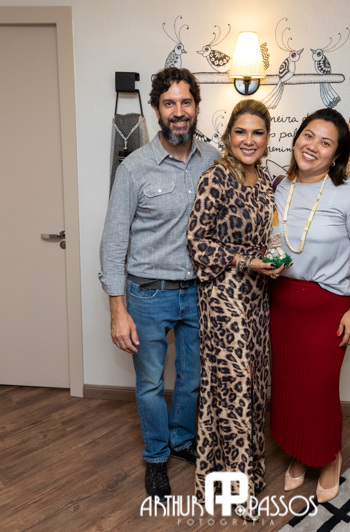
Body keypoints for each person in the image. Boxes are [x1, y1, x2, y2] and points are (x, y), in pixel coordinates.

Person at [99, 68, 220, 498]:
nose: (178, 111)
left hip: (200, 293)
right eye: (169, 103)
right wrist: (118, 311)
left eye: (186, 102)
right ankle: (155, 456)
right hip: (148, 295)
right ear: (156, 110)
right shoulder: (134, 168)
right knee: (150, 383)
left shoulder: (213, 161)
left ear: (197, 107)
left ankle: (182, 441)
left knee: (192, 378)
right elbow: (114, 242)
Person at [269, 108, 350, 503]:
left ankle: (328, 458)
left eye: (326, 142)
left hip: (327, 306)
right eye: (308, 135)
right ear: (296, 137)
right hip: (280, 304)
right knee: (288, 387)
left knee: (319, 389)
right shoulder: (277, 186)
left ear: (336, 155)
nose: (313, 146)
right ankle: (299, 453)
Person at [186, 99, 285, 515]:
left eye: (257, 132)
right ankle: (237, 492)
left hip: (257, 295)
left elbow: (268, 237)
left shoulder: (263, 181)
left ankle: (229, 476)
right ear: (228, 136)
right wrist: (246, 261)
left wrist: (273, 262)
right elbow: (196, 241)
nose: (249, 140)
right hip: (223, 295)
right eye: (241, 132)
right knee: (233, 387)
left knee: (254, 386)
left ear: (267, 138)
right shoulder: (217, 177)